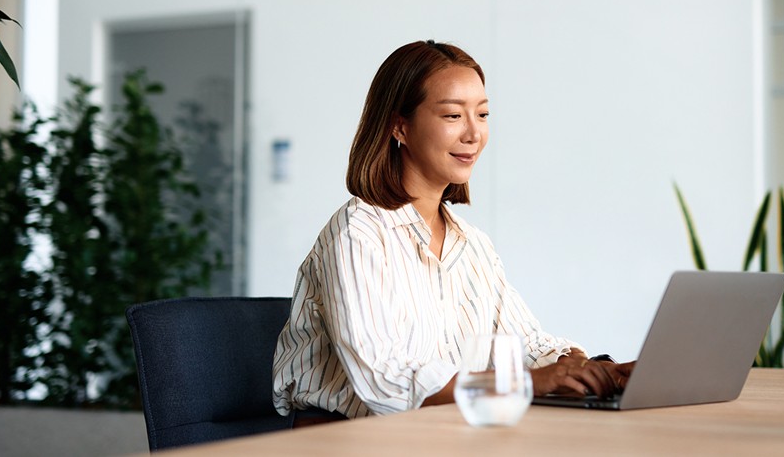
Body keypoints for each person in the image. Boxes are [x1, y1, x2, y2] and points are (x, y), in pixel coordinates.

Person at [272, 40, 634, 425]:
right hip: (345, 438)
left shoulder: (473, 245)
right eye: (452, 116)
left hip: (447, 430)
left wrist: (595, 370)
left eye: (482, 114)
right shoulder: (357, 233)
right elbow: (385, 381)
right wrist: (533, 381)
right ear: (400, 126)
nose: (474, 134)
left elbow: (527, 345)